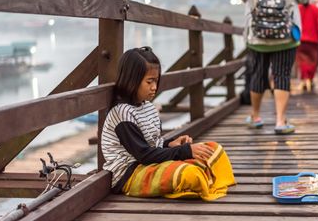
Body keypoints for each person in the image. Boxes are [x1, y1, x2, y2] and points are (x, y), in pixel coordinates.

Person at [101, 47, 235, 199]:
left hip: (149, 164)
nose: (154, 87)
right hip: (131, 174)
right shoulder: (122, 114)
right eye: (149, 81)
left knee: (213, 149)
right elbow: (144, 155)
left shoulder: (148, 107)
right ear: (132, 80)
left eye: (156, 81)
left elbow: (152, 144)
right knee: (189, 173)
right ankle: (201, 179)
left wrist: (170, 143)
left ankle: (203, 179)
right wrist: (186, 151)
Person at [238, 0, 309, 134]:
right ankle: (280, 120)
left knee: (258, 74)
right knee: (282, 75)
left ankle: (256, 116)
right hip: (286, 34)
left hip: (257, 34)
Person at [297, 0, 318, 92]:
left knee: (302, 61)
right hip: (314, 39)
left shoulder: (297, 9)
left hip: (300, 39)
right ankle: (309, 79)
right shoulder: (316, 9)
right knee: (312, 61)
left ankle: (304, 80)